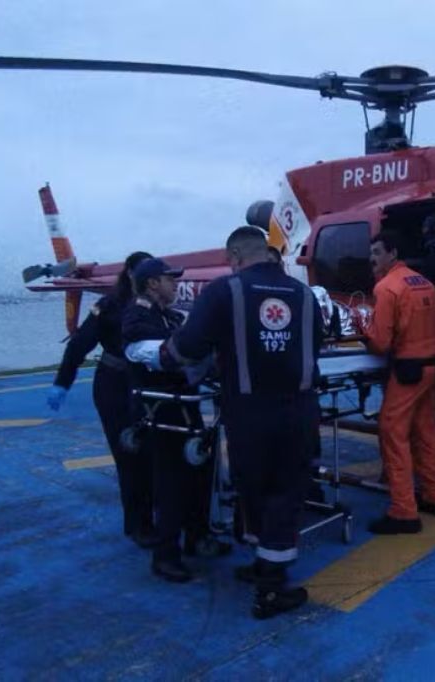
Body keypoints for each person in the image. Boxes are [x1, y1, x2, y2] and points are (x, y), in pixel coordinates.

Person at [162, 226, 321, 619]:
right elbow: (316, 343)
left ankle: (268, 589)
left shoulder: (223, 291)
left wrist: (164, 357)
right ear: (268, 254)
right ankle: (268, 572)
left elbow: (186, 347)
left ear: (233, 257)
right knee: (286, 494)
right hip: (298, 412)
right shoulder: (303, 294)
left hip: (247, 416)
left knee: (254, 490)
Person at [46, 250, 158, 548]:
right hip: (115, 386)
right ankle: (139, 525)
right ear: (132, 275)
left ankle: (157, 514)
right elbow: (79, 345)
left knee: (153, 452)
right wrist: (62, 382)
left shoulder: (158, 306)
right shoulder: (109, 306)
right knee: (129, 454)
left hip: (147, 385)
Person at [123, 257, 214, 583]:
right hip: (161, 414)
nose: (175, 284)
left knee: (200, 474)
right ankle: (165, 555)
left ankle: (197, 537)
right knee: (170, 484)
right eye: (169, 280)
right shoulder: (137, 318)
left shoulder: (168, 316)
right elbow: (164, 353)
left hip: (184, 409)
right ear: (151, 284)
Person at [360, 230, 435, 534]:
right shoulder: (425, 283)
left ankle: (403, 511)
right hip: (431, 367)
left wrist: (363, 327)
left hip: (408, 370)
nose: (372, 259)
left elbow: (381, 344)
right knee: (426, 432)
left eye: (376, 252)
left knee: (392, 430)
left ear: (392, 254)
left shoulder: (386, 289)